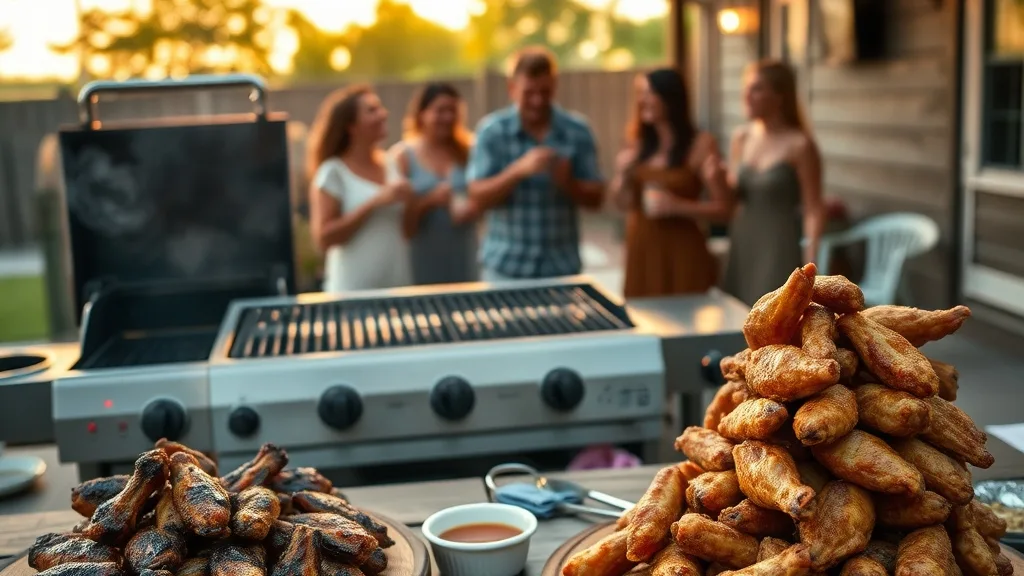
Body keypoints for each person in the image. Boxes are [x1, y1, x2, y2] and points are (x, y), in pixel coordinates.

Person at [466, 46, 605, 281]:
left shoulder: (578, 131)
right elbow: (476, 198)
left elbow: (597, 200)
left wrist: (568, 183)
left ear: (555, 86)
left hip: (562, 270)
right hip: (505, 270)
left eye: (545, 92)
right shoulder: (491, 132)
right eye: (529, 93)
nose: (538, 100)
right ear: (512, 88)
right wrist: (518, 171)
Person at [611, 68, 733, 298]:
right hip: (642, 250)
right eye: (640, 94)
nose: (642, 101)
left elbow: (725, 210)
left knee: (686, 314)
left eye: (649, 93)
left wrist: (676, 206)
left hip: (683, 251)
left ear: (670, 97)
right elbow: (621, 204)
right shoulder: (636, 142)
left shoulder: (701, 144)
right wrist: (622, 175)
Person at [720, 59, 826, 306]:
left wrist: (811, 261)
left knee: (775, 313)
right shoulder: (741, 138)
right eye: (746, 88)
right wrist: (716, 177)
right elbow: (732, 197)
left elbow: (813, 208)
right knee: (737, 313)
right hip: (743, 241)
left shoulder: (800, 145)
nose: (746, 95)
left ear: (780, 96)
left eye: (756, 89)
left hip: (778, 245)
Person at [307, 85, 413, 292]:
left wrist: (414, 201)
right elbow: (324, 238)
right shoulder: (333, 172)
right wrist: (375, 202)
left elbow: (407, 230)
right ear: (351, 126)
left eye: (380, 108)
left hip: (397, 288)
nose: (383, 114)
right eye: (372, 110)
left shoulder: (392, 164)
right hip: (352, 293)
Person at [390, 82, 480, 285]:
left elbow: (485, 200)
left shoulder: (469, 151)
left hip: (465, 258)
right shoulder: (403, 157)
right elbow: (399, 226)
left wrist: (473, 208)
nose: (447, 117)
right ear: (422, 114)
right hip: (420, 261)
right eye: (440, 111)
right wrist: (428, 202)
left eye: (452, 110)